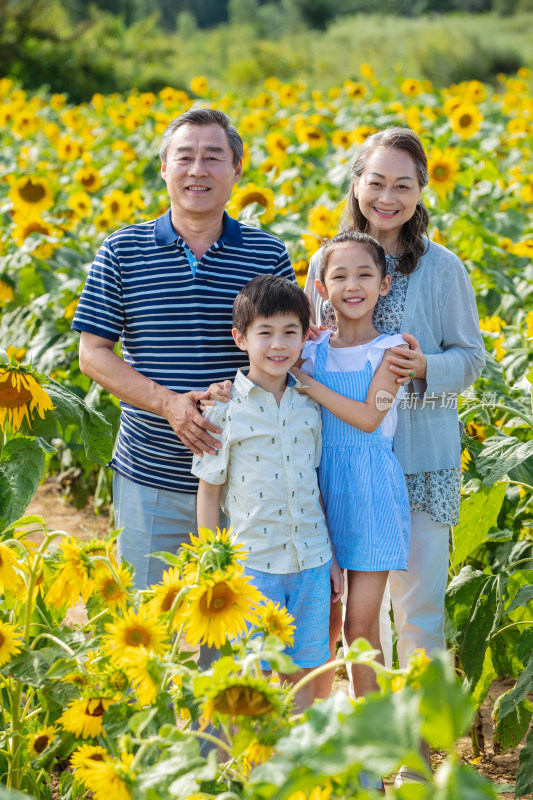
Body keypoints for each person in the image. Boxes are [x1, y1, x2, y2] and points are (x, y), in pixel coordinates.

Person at [304, 127, 485, 785]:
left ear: (419, 193)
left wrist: (421, 367)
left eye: (401, 184)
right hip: (344, 465)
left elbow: (471, 359)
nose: (386, 195)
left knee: (416, 615)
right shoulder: (327, 262)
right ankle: (372, 750)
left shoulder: (443, 268)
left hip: (421, 460)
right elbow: (309, 348)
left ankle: (414, 763)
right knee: (353, 619)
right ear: (355, 183)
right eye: (375, 181)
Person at [71, 108, 295, 590]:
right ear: (164, 168)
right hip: (150, 472)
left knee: (236, 646)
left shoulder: (267, 254)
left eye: (213, 157)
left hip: (246, 481)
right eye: (185, 157)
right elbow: (93, 353)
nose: (198, 170)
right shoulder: (121, 251)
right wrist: (169, 405)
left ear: (236, 170)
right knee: (148, 635)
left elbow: (290, 353)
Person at [192, 275, 344, 711]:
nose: (278, 345)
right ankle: (257, 769)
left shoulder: (311, 404)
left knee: (302, 669)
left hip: (311, 561)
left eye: (290, 332)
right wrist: (211, 563)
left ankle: (296, 767)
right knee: (253, 672)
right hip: (252, 565)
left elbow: (313, 485)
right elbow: (209, 490)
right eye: (265, 332)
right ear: (240, 338)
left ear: (304, 336)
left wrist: (331, 558)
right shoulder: (224, 409)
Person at [293, 231, 410, 705]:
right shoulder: (311, 350)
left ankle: (375, 754)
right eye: (338, 275)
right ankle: (321, 742)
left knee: (361, 629)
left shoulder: (394, 350)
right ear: (321, 288)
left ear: (384, 284)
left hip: (372, 495)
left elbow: (367, 418)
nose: (352, 285)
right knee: (324, 626)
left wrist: (308, 383)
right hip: (320, 495)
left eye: (365, 274)